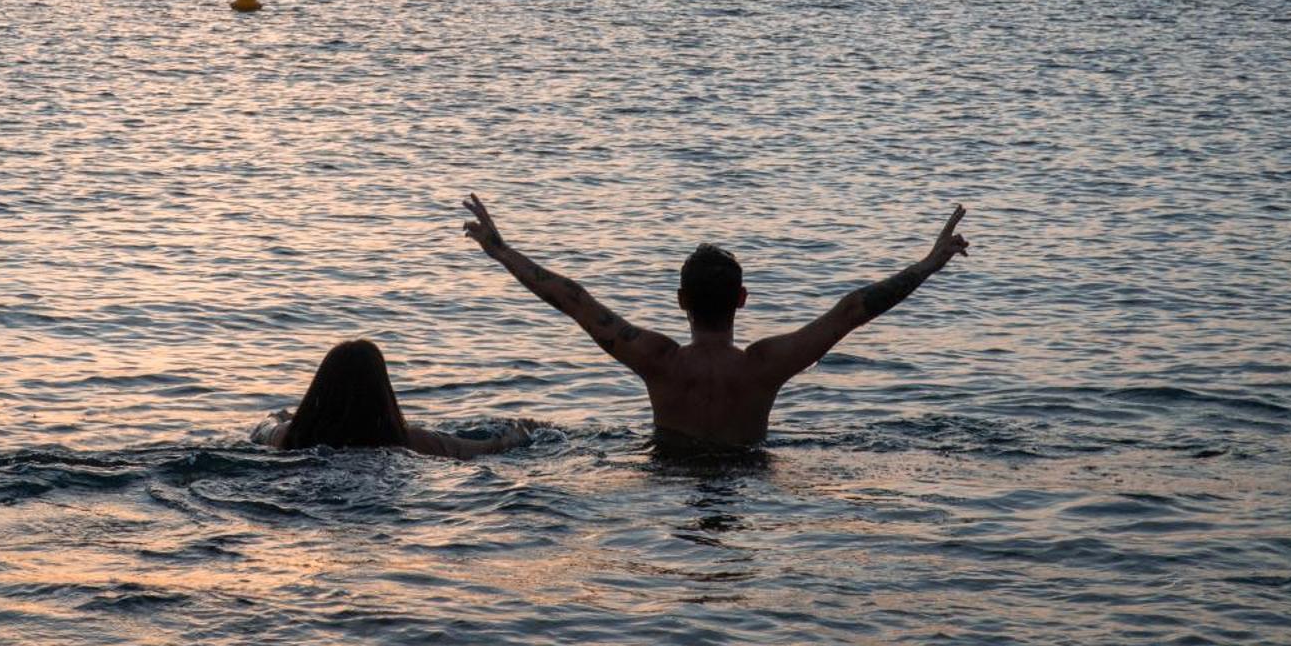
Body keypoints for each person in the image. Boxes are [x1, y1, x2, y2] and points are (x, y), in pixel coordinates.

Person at [460, 194, 972, 450]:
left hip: (665, 473)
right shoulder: (764, 367)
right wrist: (928, 264)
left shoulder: (656, 359)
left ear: (680, 300)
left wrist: (501, 251)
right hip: (748, 475)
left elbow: (572, 300)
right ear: (743, 299)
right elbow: (853, 311)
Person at [256, 339, 531, 459]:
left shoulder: (289, 437)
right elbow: (486, 450)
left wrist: (282, 416)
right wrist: (522, 432)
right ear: (383, 390)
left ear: (320, 387)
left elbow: (263, 427)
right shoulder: (409, 441)